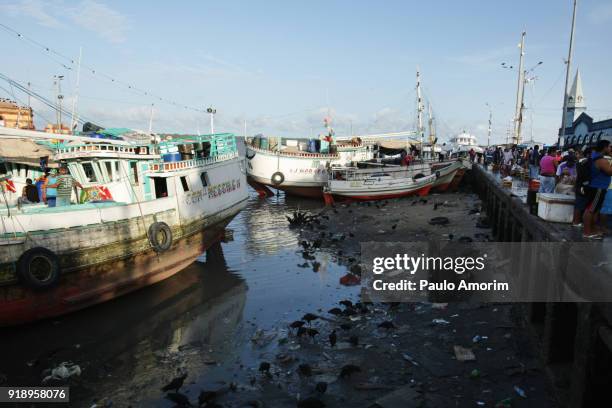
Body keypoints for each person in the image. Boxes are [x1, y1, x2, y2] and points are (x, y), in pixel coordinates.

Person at [583, 140, 612, 239]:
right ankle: (587, 232)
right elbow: (609, 172)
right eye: (609, 147)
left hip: (598, 187)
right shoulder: (601, 160)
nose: (610, 149)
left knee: (595, 210)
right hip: (598, 188)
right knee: (590, 210)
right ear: (604, 147)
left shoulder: (597, 157)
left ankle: (592, 230)